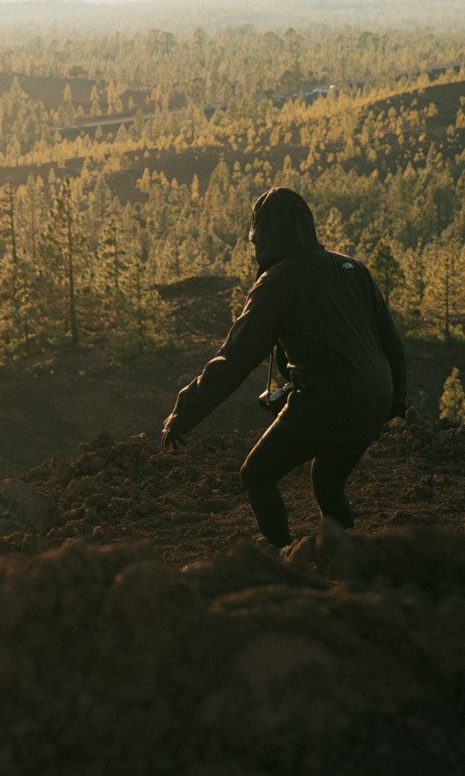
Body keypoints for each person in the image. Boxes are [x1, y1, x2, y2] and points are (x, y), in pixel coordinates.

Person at [162, 187, 408, 548]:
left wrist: (184, 413)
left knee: (257, 474)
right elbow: (392, 344)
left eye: (255, 240)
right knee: (327, 480)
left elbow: (233, 361)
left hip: (328, 401)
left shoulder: (276, 283)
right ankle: (347, 557)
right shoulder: (353, 269)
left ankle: (284, 561)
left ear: (263, 237)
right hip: (374, 399)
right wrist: (396, 400)